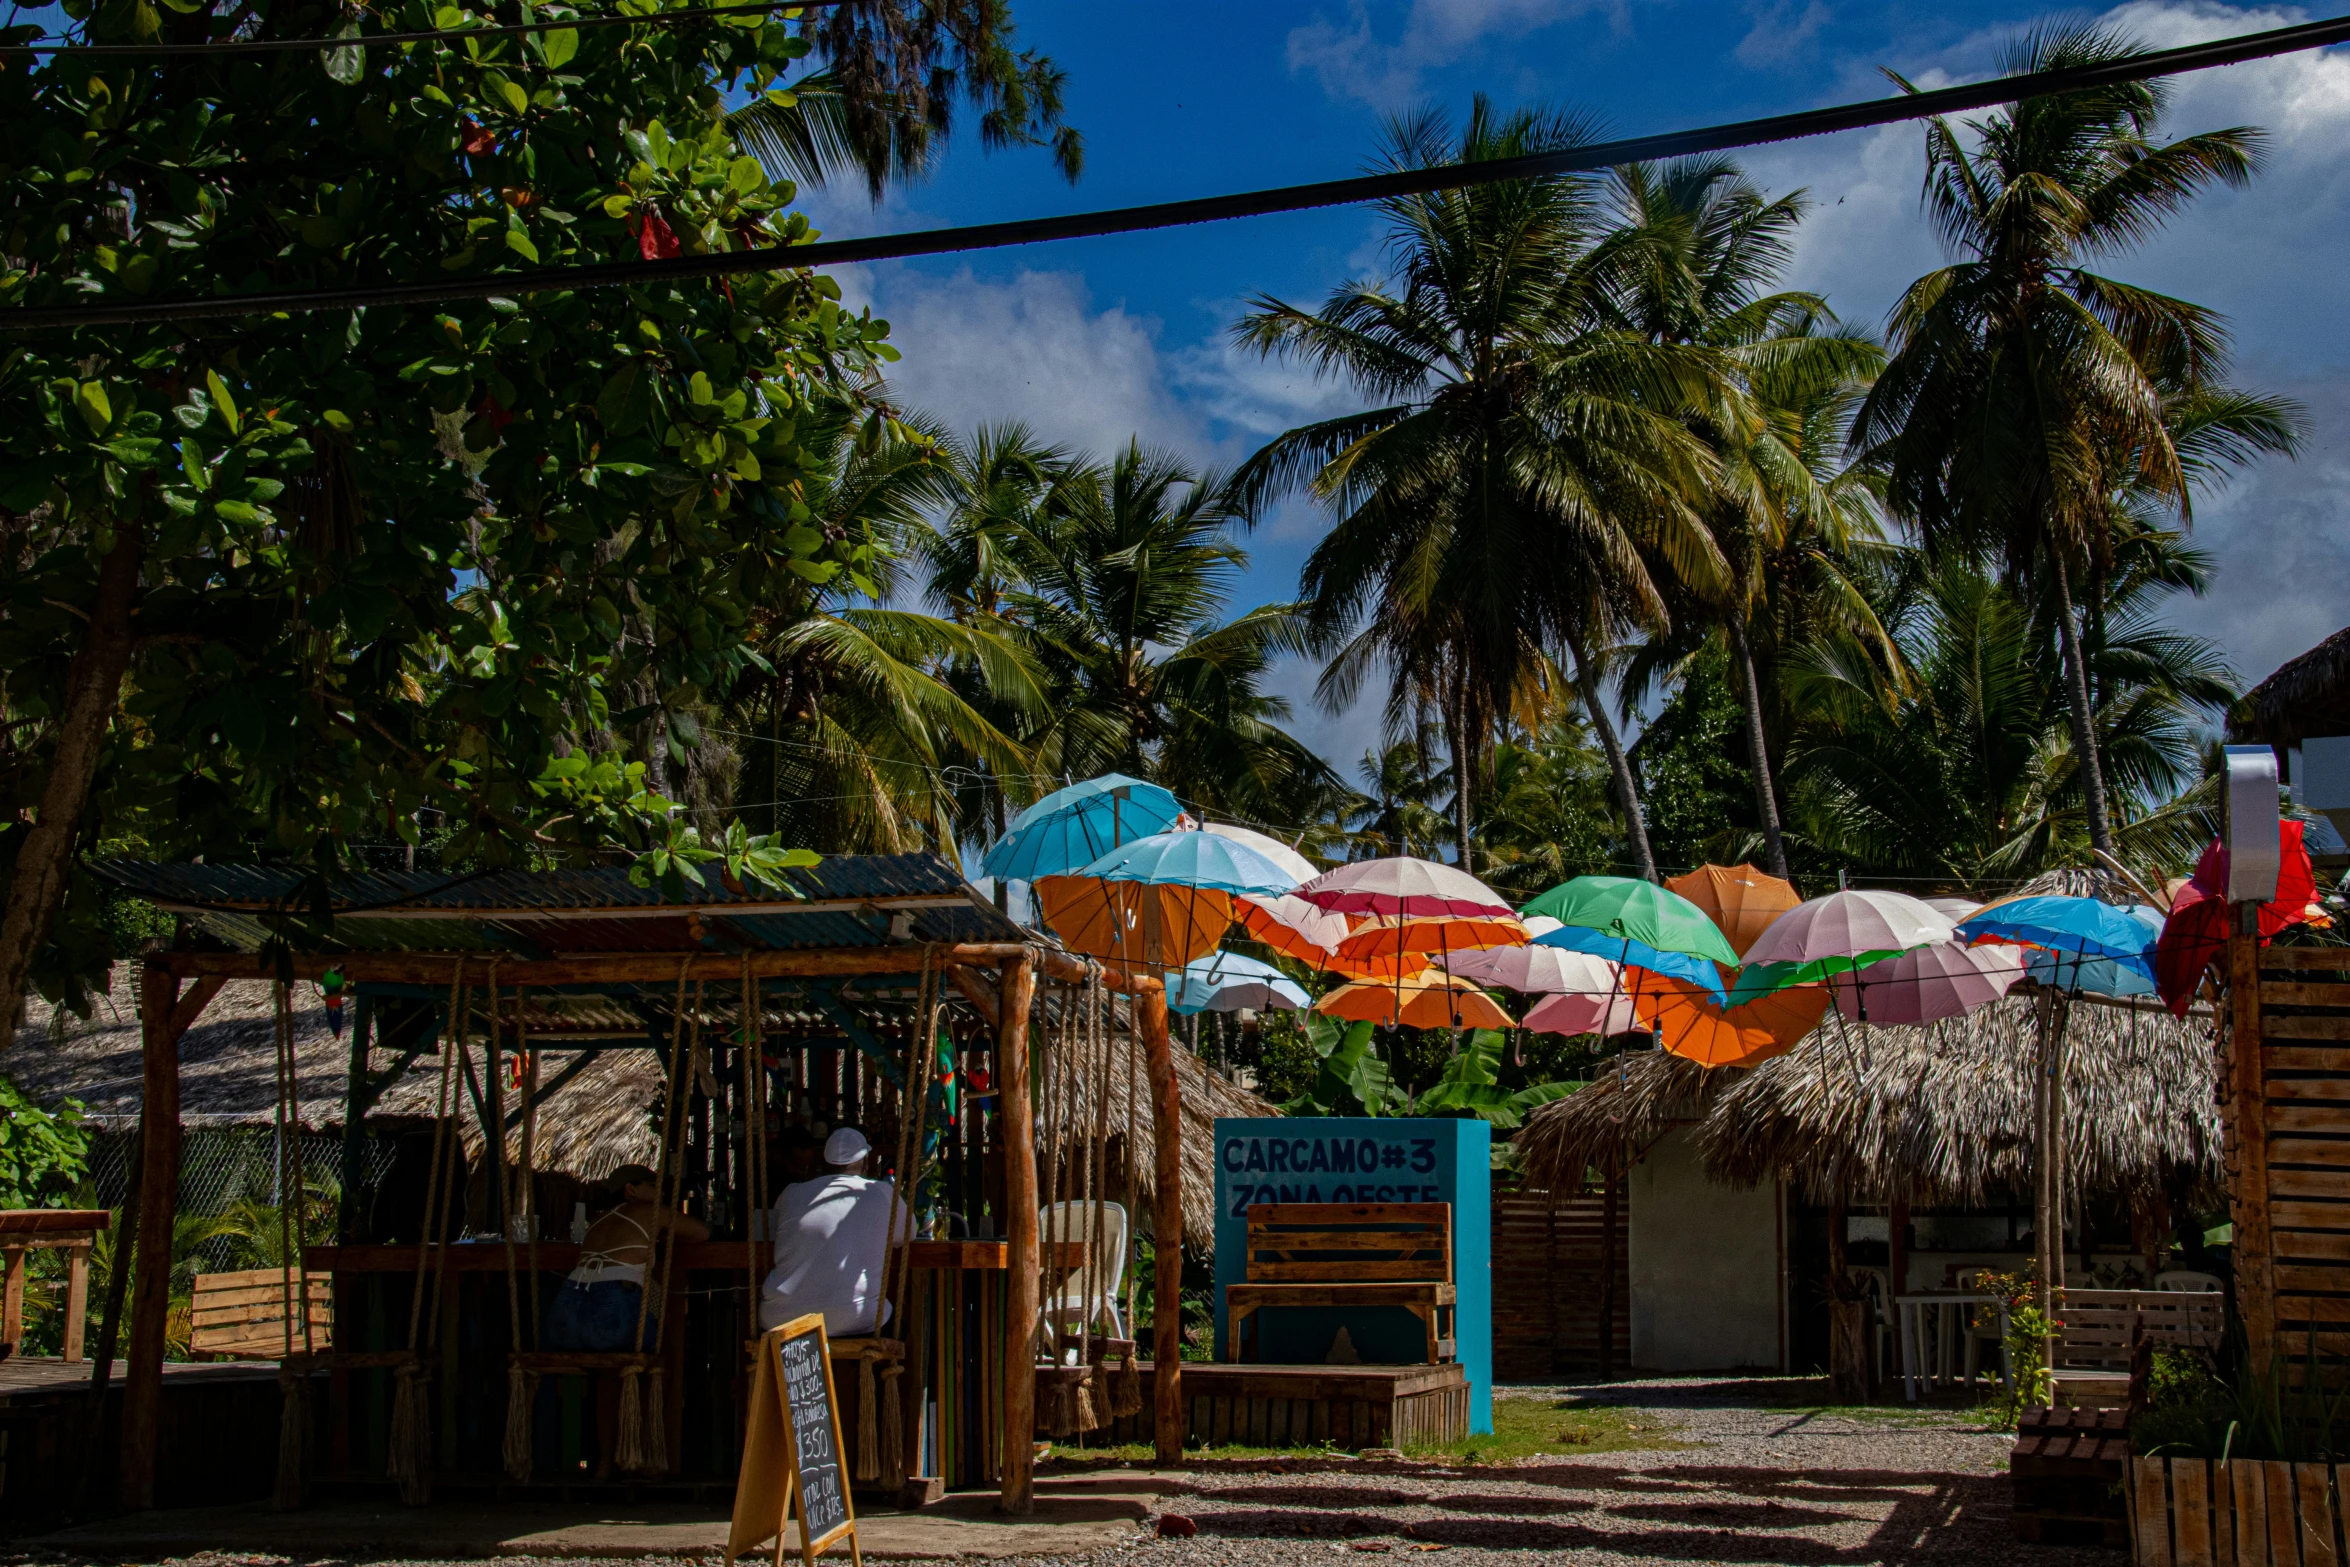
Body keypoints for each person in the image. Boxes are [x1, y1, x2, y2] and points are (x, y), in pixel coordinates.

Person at [757, 1128, 908, 1336]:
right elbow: (907, 1235)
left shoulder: (791, 1193)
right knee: (897, 1324)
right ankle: (867, 1370)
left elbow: (776, 1234)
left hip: (782, 1318)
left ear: (825, 1164)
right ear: (866, 1162)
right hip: (856, 1319)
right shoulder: (882, 1192)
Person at [547, 1164, 709, 1352]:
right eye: (652, 1186)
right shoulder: (650, 1212)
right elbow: (701, 1233)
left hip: (567, 1309)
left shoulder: (598, 1220)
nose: (661, 1192)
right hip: (612, 1311)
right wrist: (662, 1233)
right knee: (662, 1342)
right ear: (631, 1190)